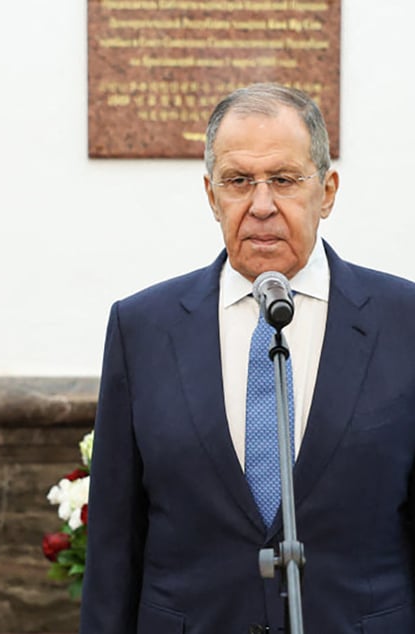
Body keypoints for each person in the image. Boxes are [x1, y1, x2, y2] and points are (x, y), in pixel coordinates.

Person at [79, 82, 415, 632]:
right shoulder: (142, 328)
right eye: (238, 182)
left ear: (327, 191)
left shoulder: (404, 323)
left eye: (284, 180)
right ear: (212, 195)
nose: (261, 205)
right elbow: (115, 546)